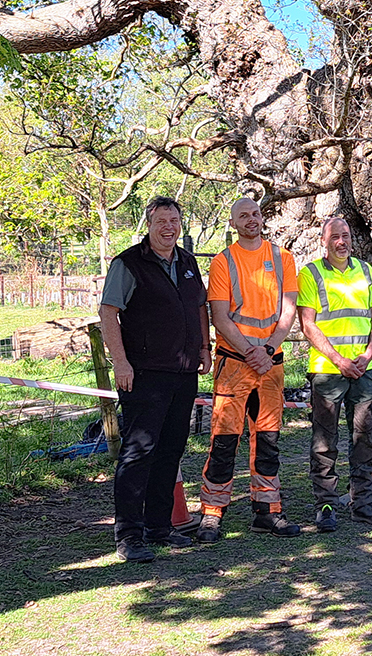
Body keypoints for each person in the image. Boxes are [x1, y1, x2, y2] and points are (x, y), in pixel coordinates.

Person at [99, 196, 211, 563]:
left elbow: (199, 308)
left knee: (170, 450)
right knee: (138, 453)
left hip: (183, 373)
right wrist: (120, 363)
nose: (169, 227)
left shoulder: (189, 262)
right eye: (161, 220)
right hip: (144, 374)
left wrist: (204, 347)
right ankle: (128, 535)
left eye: (175, 220)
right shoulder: (128, 263)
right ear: (149, 224)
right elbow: (108, 312)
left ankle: (159, 528)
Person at [196, 198, 301, 543]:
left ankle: (267, 511)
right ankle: (211, 514)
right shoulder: (224, 261)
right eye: (244, 215)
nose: (251, 220)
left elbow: (288, 313)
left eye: (255, 214)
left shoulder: (283, 258)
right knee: (224, 439)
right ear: (233, 222)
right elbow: (220, 317)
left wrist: (268, 350)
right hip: (234, 363)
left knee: (268, 439)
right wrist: (251, 352)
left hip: (271, 363)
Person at [298, 217, 372, 531]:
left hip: (365, 368)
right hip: (328, 370)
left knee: (364, 438)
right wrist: (339, 360)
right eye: (335, 236)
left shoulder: (366, 271)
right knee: (325, 440)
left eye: (346, 235)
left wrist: (367, 355)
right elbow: (307, 324)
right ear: (324, 241)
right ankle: (325, 503)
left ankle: (362, 502)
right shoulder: (311, 273)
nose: (342, 241)